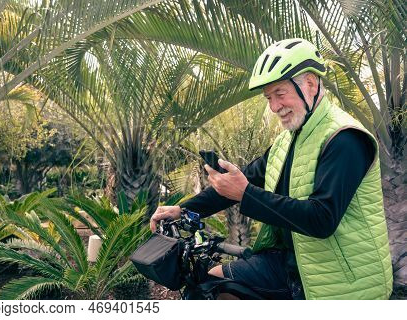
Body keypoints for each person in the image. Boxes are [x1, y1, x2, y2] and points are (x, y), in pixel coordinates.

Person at [150, 38, 392, 300]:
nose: (275, 107)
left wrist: (245, 194)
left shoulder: (345, 138)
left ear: (310, 84)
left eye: (280, 94)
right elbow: (241, 181)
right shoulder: (288, 139)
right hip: (290, 263)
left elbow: (322, 220)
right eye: (268, 98)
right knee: (211, 285)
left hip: (339, 279)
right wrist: (183, 210)